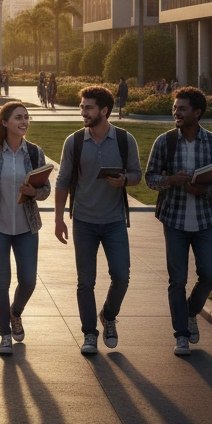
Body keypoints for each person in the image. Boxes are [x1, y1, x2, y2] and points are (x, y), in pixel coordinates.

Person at [145, 87, 212, 356]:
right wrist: (169, 181)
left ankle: (191, 311)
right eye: (175, 108)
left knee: (208, 274)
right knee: (177, 280)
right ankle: (181, 335)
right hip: (174, 220)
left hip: (205, 220)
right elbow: (150, 177)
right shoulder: (165, 141)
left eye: (182, 108)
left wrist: (206, 189)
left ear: (197, 112)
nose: (176, 112)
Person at [54, 86, 141, 354]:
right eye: (82, 107)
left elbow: (138, 174)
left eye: (88, 107)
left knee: (121, 276)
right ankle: (89, 333)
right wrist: (59, 219)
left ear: (104, 111)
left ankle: (109, 316)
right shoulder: (75, 142)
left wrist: (124, 180)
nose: (83, 112)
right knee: (85, 281)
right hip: (84, 221)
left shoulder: (125, 140)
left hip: (114, 221)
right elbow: (63, 181)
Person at [0, 101, 51, 356]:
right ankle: (4, 334)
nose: (24, 121)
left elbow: (46, 190)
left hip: (27, 226)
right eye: (18, 117)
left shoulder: (35, 153)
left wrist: (34, 192)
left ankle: (15, 312)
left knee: (27, 281)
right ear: (5, 122)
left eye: (26, 117)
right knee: (1, 281)